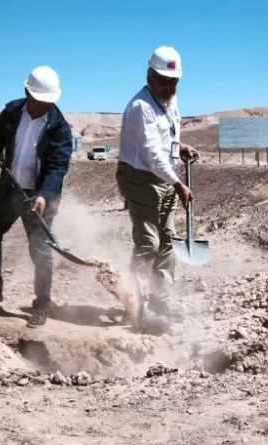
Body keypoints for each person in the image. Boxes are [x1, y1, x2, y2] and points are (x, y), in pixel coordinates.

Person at [0, 65, 73, 329]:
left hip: (39, 195)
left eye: (49, 101)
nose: (45, 105)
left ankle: (42, 305)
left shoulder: (59, 127)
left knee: (40, 249)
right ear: (27, 92)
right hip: (9, 187)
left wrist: (45, 195)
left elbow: (58, 166)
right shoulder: (12, 111)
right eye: (40, 100)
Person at [116, 45, 199, 333]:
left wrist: (181, 146)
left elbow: (168, 139)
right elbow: (151, 154)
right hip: (139, 178)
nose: (168, 87)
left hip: (165, 177)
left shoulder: (171, 101)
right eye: (163, 81)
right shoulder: (141, 108)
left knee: (168, 241)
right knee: (148, 243)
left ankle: (160, 303)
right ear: (149, 75)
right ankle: (136, 307)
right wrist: (178, 183)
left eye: (173, 82)